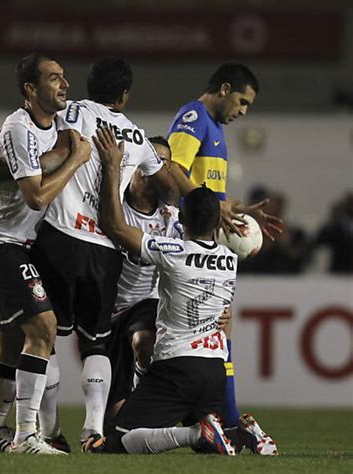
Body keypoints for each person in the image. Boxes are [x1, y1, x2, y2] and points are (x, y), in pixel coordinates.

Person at [32, 57, 179, 451]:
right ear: (125, 96)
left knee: (43, 339)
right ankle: (93, 430)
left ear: (88, 84)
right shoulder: (136, 135)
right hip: (104, 250)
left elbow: (45, 133)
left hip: (60, 236)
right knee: (95, 343)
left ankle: (49, 432)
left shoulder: (73, 111)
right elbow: (168, 182)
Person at [0, 53, 91, 455]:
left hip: (17, 244)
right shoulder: (18, 127)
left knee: (10, 342)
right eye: (55, 78)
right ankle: (26, 436)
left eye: (64, 76)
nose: (65, 84)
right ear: (30, 89)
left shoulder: (58, 122)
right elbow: (36, 196)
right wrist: (75, 158)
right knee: (43, 328)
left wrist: (4, 168)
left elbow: (35, 161)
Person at [94, 126, 237, 455]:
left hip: (166, 345)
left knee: (117, 439)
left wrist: (110, 166)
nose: (155, 171)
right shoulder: (229, 258)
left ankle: (191, 429)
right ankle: (240, 433)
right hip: (208, 363)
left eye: (163, 165)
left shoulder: (171, 238)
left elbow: (115, 226)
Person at [167, 63, 280, 454]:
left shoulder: (214, 130)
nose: (243, 111)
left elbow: (209, 194)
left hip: (207, 244)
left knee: (219, 333)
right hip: (187, 243)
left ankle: (224, 422)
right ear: (226, 88)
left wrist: (241, 211)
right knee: (215, 334)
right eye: (243, 101)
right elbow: (171, 170)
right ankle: (225, 423)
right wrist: (214, 208)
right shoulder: (194, 116)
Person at [105, 136, 183, 423]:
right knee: (112, 423)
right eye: (156, 162)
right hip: (110, 309)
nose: (161, 171)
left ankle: (144, 399)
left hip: (147, 301)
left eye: (166, 164)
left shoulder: (170, 216)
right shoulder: (114, 206)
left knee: (144, 341)